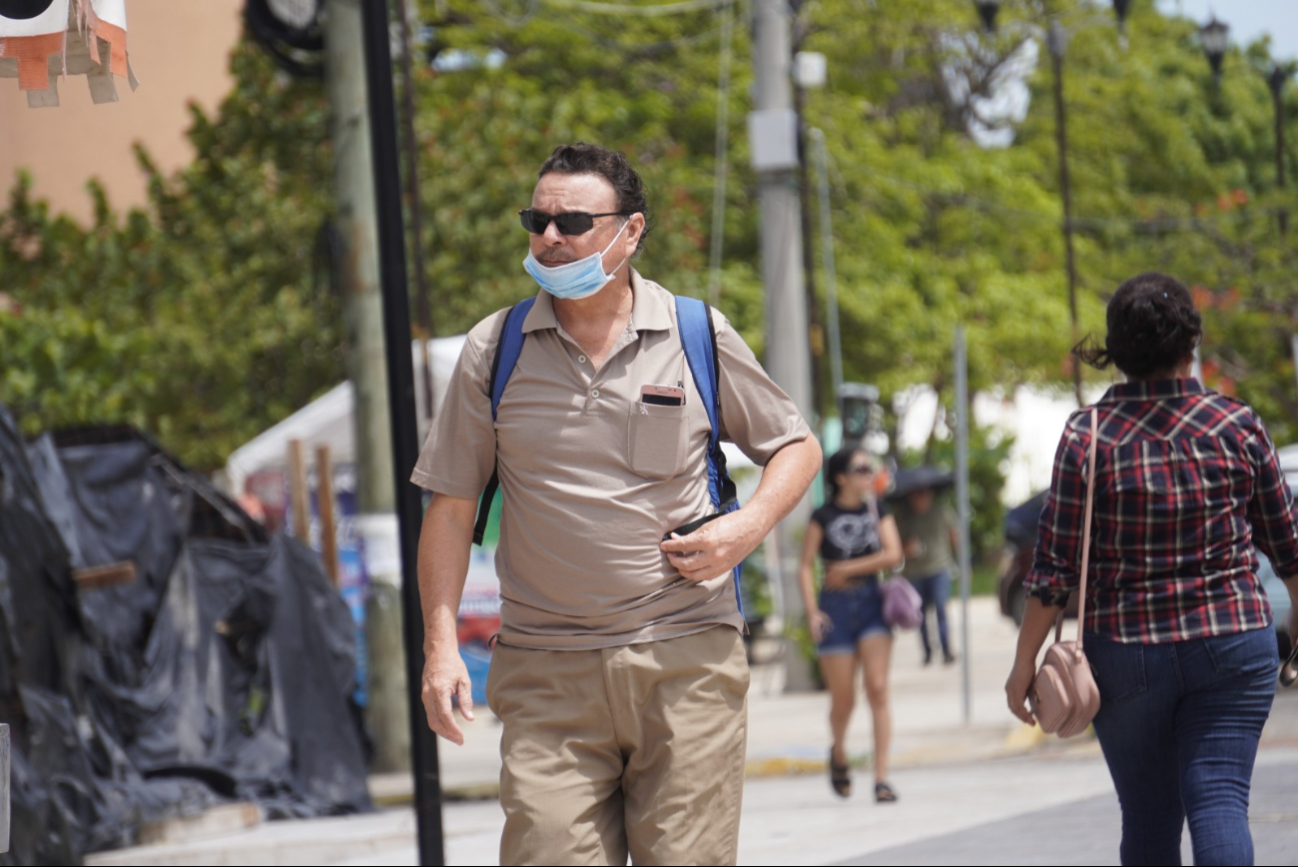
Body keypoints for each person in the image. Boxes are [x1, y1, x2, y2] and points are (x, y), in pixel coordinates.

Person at [411, 142, 822, 866]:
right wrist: (440, 647)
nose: (548, 236)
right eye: (536, 219)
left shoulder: (697, 333)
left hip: (686, 662)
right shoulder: (494, 347)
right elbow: (449, 506)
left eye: (571, 220)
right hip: (546, 675)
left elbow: (796, 447)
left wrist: (746, 527)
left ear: (631, 231)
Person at [1005, 272, 1298, 866]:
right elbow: (1289, 547)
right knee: (1219, 800)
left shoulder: (1087, 435)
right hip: (1233, 643)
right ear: (1190, 345)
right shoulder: (1236, 426)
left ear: (1115, 350)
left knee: (1148, 815)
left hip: (1125, 652)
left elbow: (1053, 571)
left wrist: (1022, 667)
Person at [798, 447, 904, 803]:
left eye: (869, 467)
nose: (867, 473)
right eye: (860, 468)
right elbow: (805, 565)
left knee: (877, 688)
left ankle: (881, 778)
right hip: (835, 609)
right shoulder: (822, 514)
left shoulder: (877, 508)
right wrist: (812, 612)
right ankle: (839, 752)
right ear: (840, 476)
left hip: (872, 602)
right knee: (844, 700)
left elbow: (894, 554)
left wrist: (846, 569)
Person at [891, 479, 958, 665]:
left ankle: (946, 650)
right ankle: (928, 652)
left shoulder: (942, 512)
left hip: (939, 569)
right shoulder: (903, 517)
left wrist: (959, 560)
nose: (922, 497)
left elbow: (954, 536)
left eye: (926, 493)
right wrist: (907, 549)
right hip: (914, 572)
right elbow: (893, 547)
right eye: (918, 494)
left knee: (941, 609)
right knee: (918, 613)